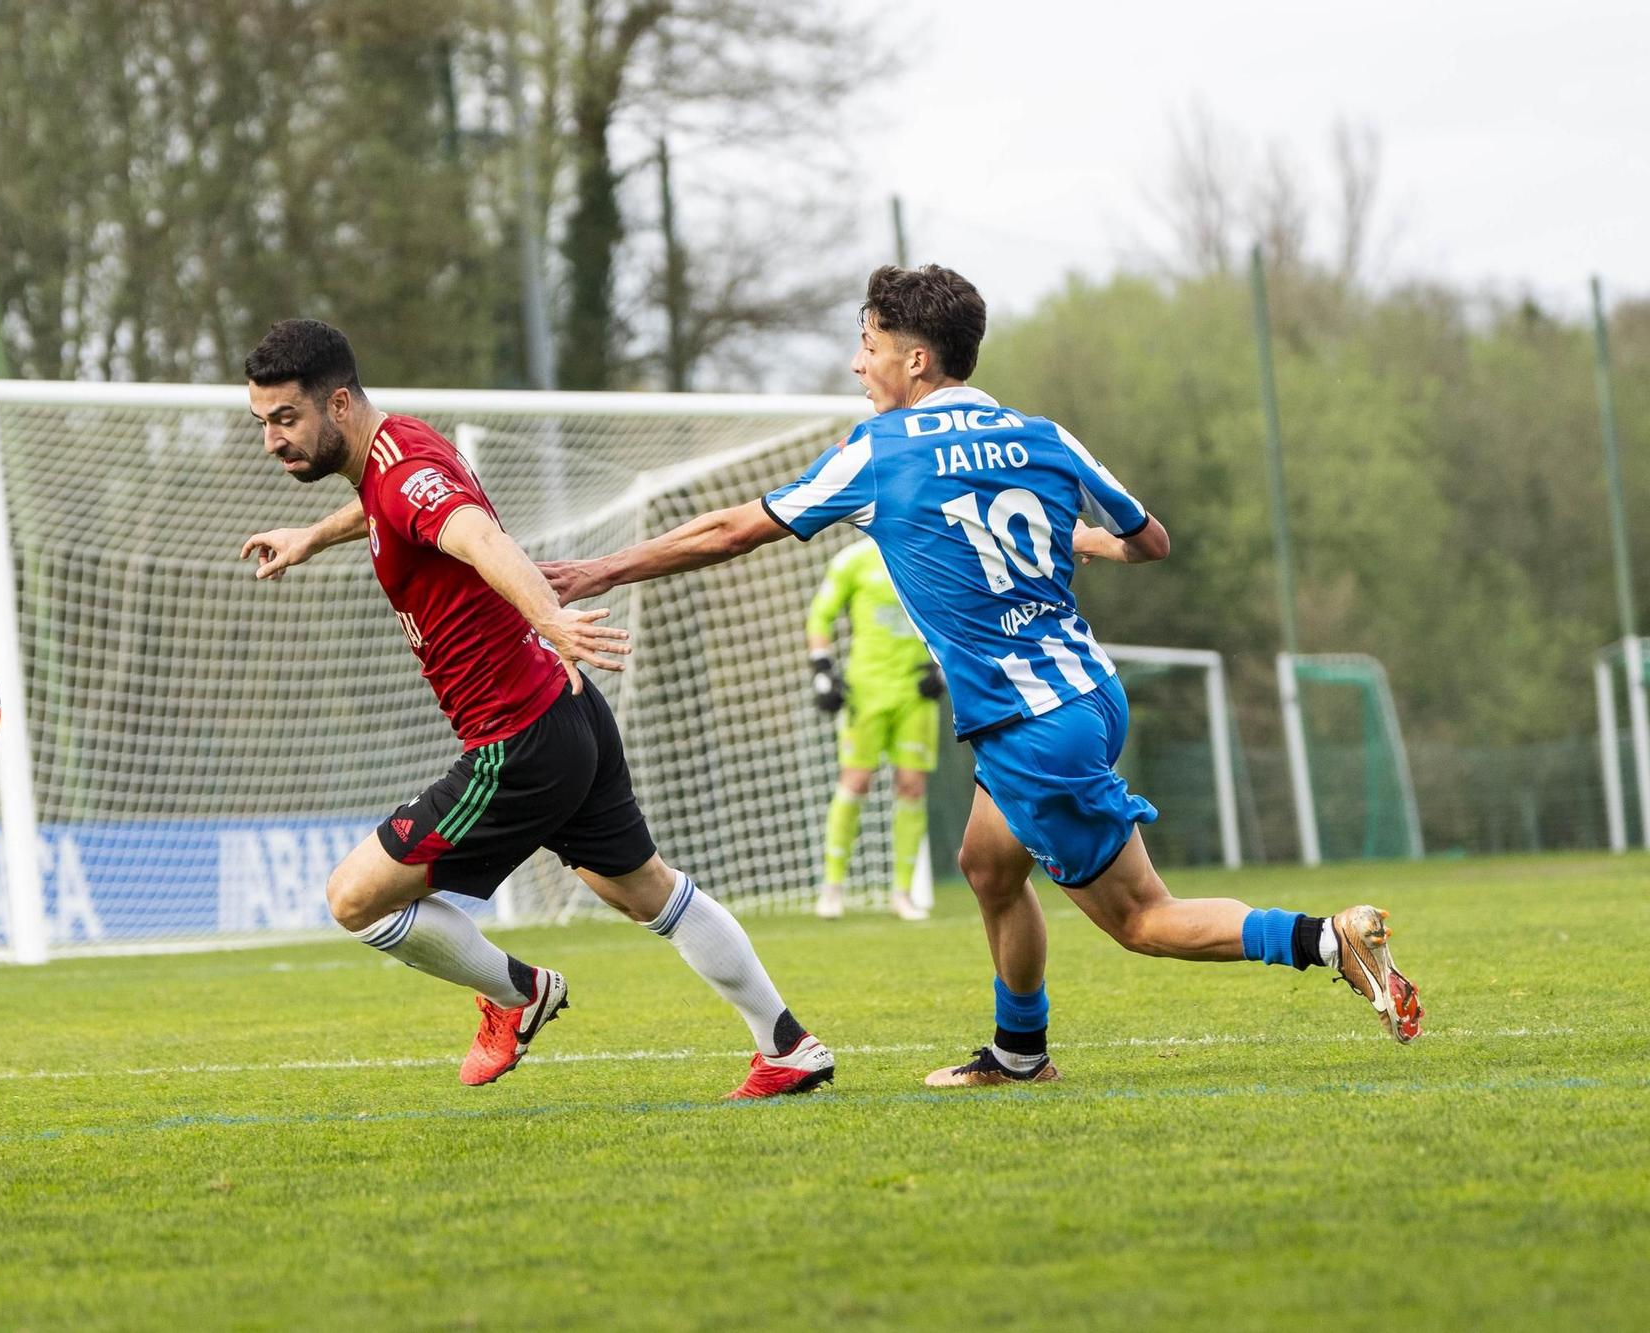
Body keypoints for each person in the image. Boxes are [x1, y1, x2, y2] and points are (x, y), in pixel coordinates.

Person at [541, 265, 1423, 1088]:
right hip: (1083, 693)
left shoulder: (880, 452)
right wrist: (1072, 537)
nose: (858, 364)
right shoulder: (1043, 437)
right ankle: (1019, 1051)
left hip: (1031, 725)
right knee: (987, 865)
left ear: (914, 360)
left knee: (1142, 919)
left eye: (870, 345)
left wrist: (599, 572)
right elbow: (1150, 541)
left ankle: (1327, 940)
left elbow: (731, 530)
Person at [238, 319, 833, 1099]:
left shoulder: (404, 474)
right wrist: (313, 536)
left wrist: (547, 613)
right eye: (263, 424)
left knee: (355, 897)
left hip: (514, 741)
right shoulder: (394, 451)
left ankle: (519, 996)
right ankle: (785, 1043)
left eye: (286, 419)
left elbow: (478, 537)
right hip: (566, 711)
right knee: (643, 888)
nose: (273, 440)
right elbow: (388, 506)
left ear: (339, 403)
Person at [805, 538, 943, 921]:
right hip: (865, 690)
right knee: (856, 781)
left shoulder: (926, 551)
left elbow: (952, 613)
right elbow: (820, 615)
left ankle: (902, 893)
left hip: (914, 692)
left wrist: (942, 669)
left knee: (912, 785)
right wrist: (822, 671)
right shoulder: (854, 560)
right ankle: (832, 887)